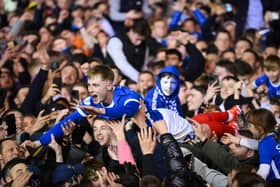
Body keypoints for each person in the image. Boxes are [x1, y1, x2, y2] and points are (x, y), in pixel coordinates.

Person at [38, 65, 141, 145]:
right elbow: (66, 122)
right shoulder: (90, 102)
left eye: (95, 85)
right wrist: (38, 142)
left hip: (150, 135)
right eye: (89, 85)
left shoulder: (128, 95)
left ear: (109, 86)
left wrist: (101, 111)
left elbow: (128, 110)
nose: (91, 90)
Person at [245, 109, 280, 180]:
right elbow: (256, 145)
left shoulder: (265, 145)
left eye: (250, 126)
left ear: (260, 129)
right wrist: (237, 140)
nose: (248, 128)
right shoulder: (274, 136)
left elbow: (264, 171)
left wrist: (254, 183)